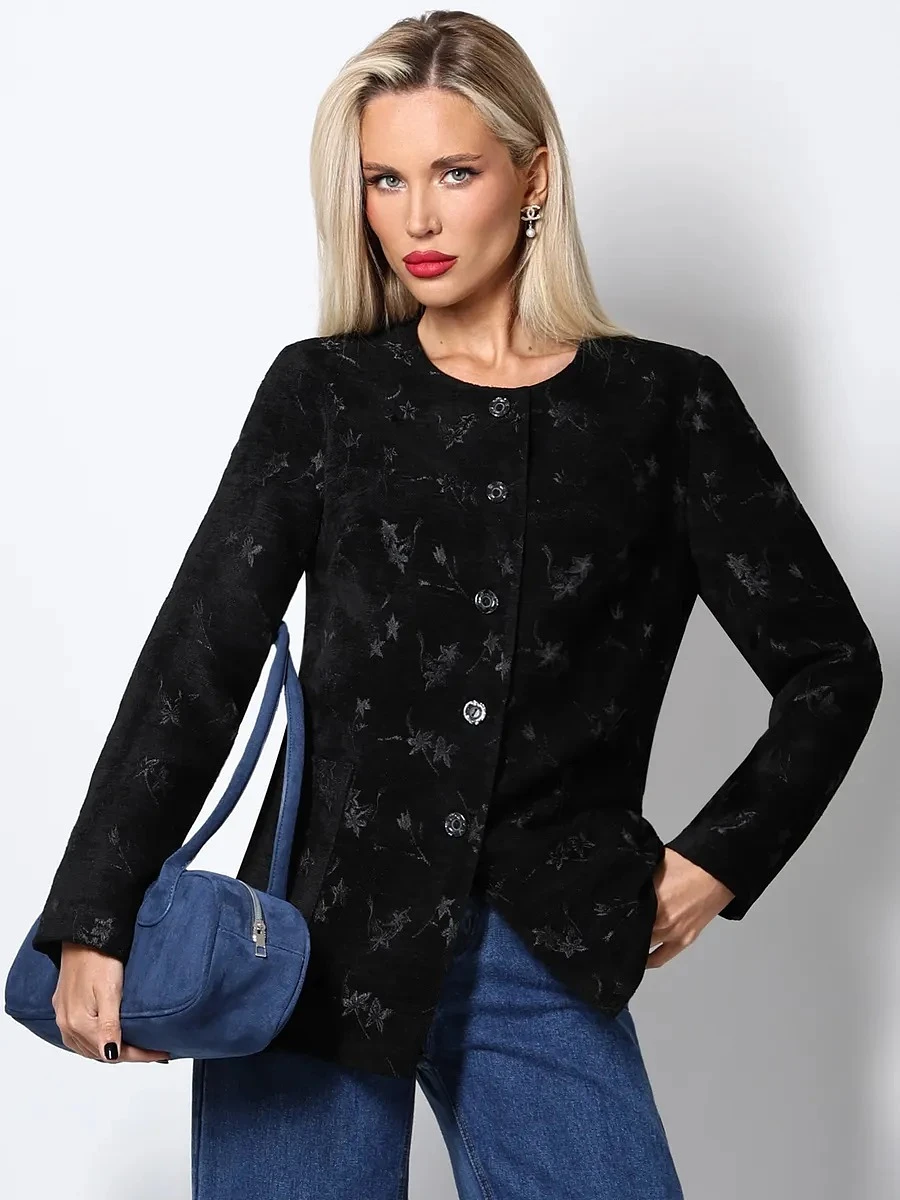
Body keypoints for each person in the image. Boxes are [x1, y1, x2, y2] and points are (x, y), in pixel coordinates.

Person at [30, 11, 882, 1200]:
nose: (417, 220)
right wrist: (95, 917)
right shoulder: (326, 394)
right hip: (308, 951)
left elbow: (832, 665)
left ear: (533, 177)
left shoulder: (666, 408)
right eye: (385, 179)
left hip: (544, 943)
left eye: (454, 173)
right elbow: (199, 661)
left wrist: (713, 863)